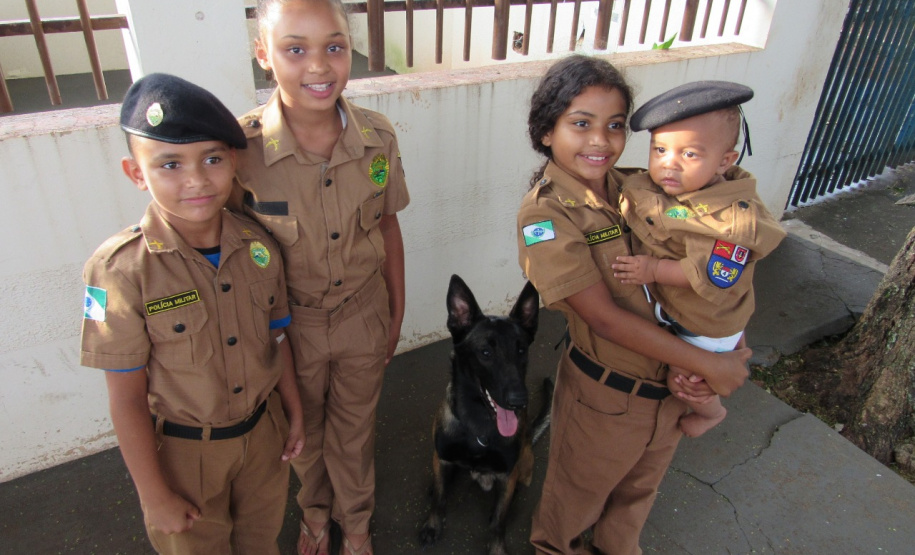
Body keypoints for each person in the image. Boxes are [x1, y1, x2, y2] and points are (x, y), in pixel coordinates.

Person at [517, 55, 752, 555]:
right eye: (581, 124)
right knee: (572, 508)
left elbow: (714, 266)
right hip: (606, 400)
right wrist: (711, 365)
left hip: (669, 393)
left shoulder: (640, 186)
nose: (600, 141)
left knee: (633, 503)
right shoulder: (545, 215)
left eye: (616, 125)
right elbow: (603, 317)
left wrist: (726, 345)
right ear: (545, 131)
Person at [80, 73, 305, 555]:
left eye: (212, 158)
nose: (197, 179)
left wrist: (294, 412)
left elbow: (276, 340)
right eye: (169, 164)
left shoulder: (259, 246)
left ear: (233, 162)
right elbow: (125, 398)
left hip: (264, 439)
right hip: (185, 456)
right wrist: (153, 494)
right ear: (136, 173)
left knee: (261, 544)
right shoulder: (121, 271)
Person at [232, 1, 409, 554]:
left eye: (334, 47)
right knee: (301, 435)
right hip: (290, 330)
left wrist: (395, 315)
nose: (319, 66)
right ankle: (314, 515)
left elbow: (387, 227)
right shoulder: (240, 152)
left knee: (355, 431)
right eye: (295, 48)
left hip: (364, 311)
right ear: (264, 54)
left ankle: (355, 525)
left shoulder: (377, 139)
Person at [612, 81, 786, 437]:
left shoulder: (731, 220)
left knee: (685, 379)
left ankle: (711, 414)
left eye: (689, 155)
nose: (669, 165)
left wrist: (653, 269)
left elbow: (712, 273)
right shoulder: (664, 188)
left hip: (704, 326)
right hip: (683, 311)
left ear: (725, 161)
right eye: (660, 149)